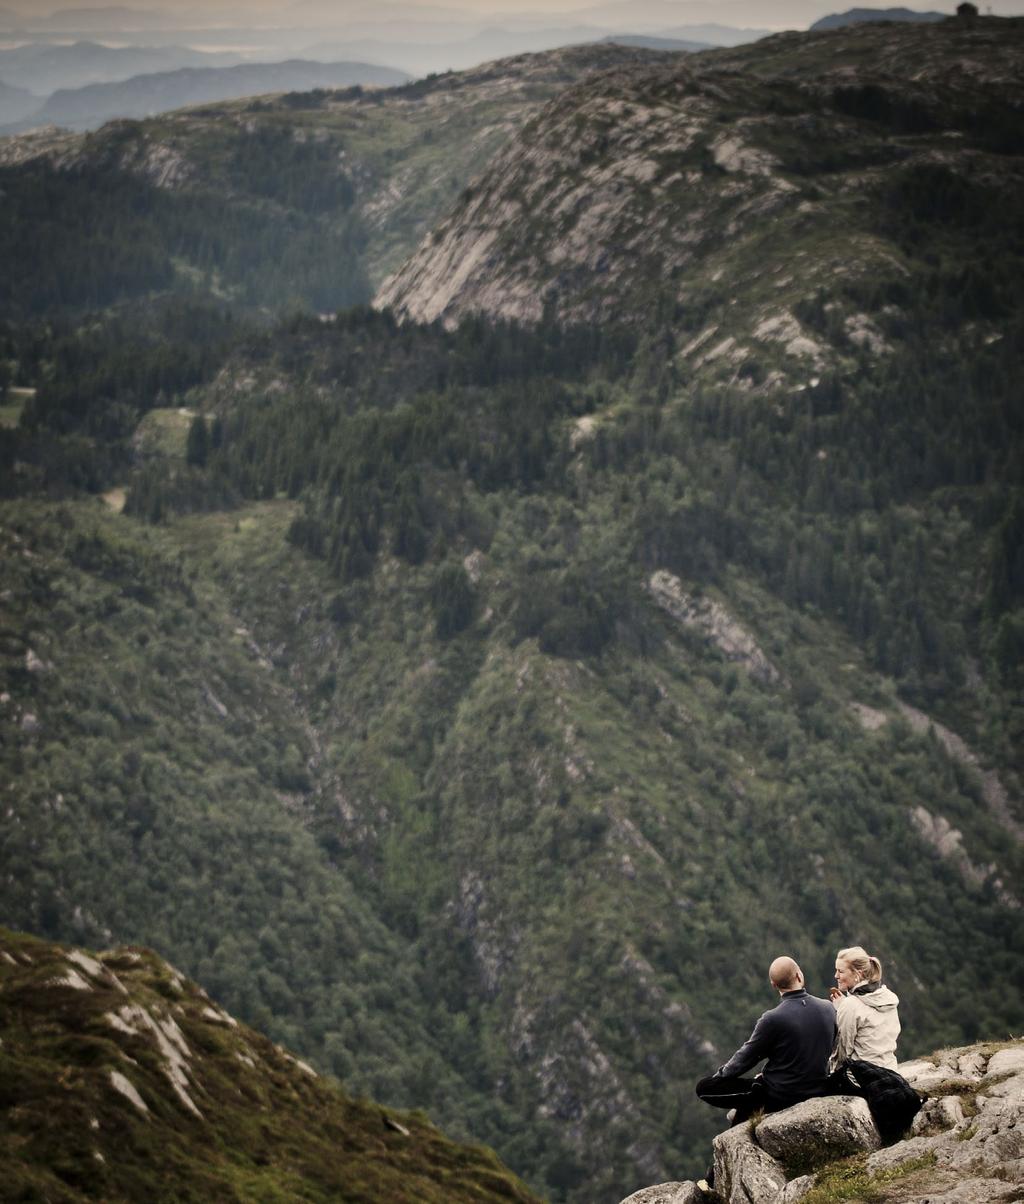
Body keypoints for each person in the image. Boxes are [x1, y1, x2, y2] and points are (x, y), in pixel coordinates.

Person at [695, 955, 837, 1124]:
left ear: (773, 985)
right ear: (800, 975)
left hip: (780, 1095)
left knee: (704, 1088)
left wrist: (720, 1078)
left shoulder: (772, 1019)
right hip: (818, 1088)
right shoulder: (828, 1008)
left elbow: (746, 1058)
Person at [830, 946, 900, 1071]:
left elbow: (842, 1053)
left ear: (858, 973)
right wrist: (844, 1007)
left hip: (863, 1078)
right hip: (890, 1071)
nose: (836, 976)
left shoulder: (850, 1006)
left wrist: (842, 1010)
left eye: (840, 971)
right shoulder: (887, 997)